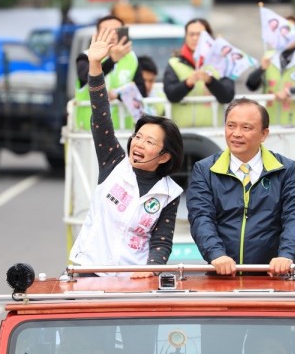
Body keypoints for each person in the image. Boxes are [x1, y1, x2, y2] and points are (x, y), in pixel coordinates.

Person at [69, 27, 184, 278]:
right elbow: (101, 115)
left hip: (134, 279)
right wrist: (96, 66)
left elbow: (162, 241)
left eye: (149, 142)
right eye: (137, 137)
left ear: (165, 156)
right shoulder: (113, 163)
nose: (139, 144)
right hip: (90, 270)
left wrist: (150, 270)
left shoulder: (170, 193)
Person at [186, 97, 295, 276]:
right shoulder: (204, 170)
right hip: (221, 278)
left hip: (272, 277)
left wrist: (287, 255)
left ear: (264, 134)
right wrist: (217, 254)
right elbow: (200, 217)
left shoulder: (286, 170)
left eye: (246, 127)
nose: (236, 133)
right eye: (231, 126)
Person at [75, 15, 147, 130]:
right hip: (90, 131)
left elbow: (141, 91)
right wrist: (112, 60)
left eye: (117, 31)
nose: (113, 35)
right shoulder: (86, 57)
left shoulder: (131, 58)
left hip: (124, 129)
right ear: (97, 35)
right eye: (107, 31)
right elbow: (87, 77)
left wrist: (119, 95)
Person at [163, 18, 235, 127]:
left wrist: (210, 81)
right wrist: (187, 83)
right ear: (186, 37)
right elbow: (171, 94)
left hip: (213, 131)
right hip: (181, 131)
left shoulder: (222, 62)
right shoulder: (174, 63)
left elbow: (227, 96)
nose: (195, 38)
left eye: (200, 35)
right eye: (191, 34)